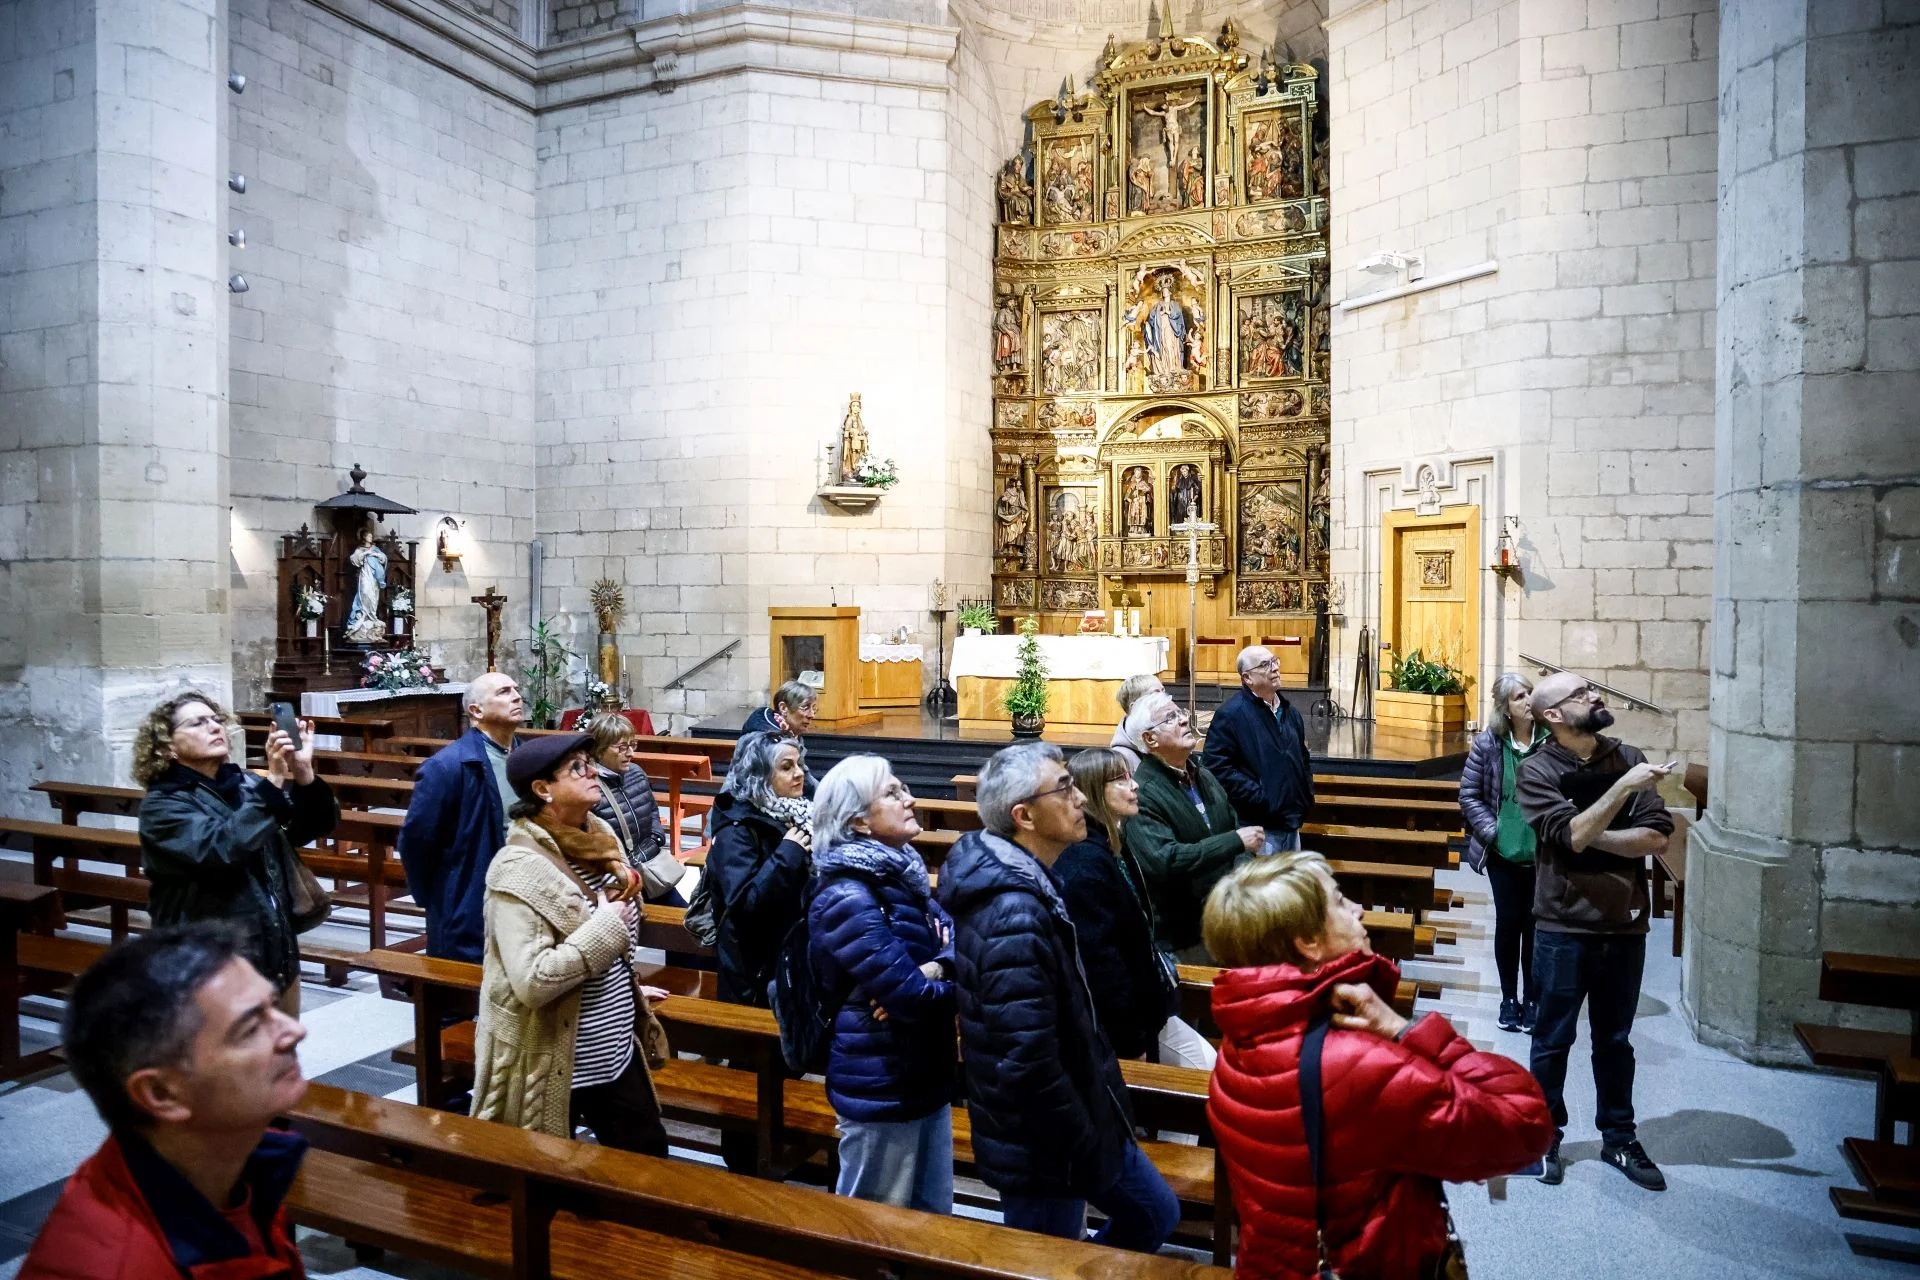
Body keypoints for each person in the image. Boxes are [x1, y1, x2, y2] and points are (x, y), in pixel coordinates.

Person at [1203, 854, 1553, 1280]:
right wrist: (1406, 1030)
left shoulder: (1241, 1043)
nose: (1359, 910)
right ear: (1308, 941)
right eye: (1340, 902)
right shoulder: (1358, 1064)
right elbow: (1525, 1126)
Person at [937, 742, 1180, 1253]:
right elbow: (1026, 1058)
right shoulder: (1014, 912)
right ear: (1023, 816)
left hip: (1074, 1116)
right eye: (1064, 789)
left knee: (1143, 1216)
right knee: (1053, 1255)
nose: (1080, 799)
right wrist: (1083, 1141)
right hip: (1047, 1139)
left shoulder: (1031, 884)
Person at [23, 924, 312, 1279]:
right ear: (161, 1093)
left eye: (273, 1006)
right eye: (251, 1028)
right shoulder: (119, 1267)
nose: (296, 1031)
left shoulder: (235, 1170)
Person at [470, 733, 669, 1156]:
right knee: (549, 1171)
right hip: (558, 1056)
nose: (593, 771)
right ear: (543, 789)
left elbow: (611, 936)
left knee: (649, 1161)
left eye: (588, 762)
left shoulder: (599, 838)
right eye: (577, 767)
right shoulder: (518, 870)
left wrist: (625, 984)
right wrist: (606, 930)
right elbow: (532, 981)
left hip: (613, 1047)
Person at [1517, 671, 1675, 1191]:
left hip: (1623, 925)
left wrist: (1586, 832)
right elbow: (1564, 835)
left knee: (1615, 1040)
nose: (1596, 696)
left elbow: (1656, 837)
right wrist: (1622, 794)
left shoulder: (1628, 757)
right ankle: (1544, 1137)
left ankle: (1619, 1137)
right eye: (1582, 694)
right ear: (1554, 715)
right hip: (1562, 925)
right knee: (1552, 1038)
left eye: (1591, 689)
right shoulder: (1538, 770)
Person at [807, 755, 957, 1212]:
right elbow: (912, 997)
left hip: (923, 1073)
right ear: (859, 822)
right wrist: (959, 980)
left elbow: (960, 940)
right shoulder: (848, 895)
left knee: (933, 1221)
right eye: (892, 793)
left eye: (902, 788)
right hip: (880, 1084)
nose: (909, 799)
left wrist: (940, 968)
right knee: (875, 1224)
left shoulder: (899, 876)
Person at [134, 692, 339, 1017]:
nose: (214, 727)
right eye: (197, 723)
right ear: (167, 746)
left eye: (216, 720)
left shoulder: (245, 785)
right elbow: (222, 848)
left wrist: (303, 773)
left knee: (283, 1043)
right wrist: (273, 780)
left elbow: (305, 829)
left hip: (274, 947)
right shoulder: (163, 805)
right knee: (229, 1049)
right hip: (209, 962)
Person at [1054, 747, 1198, 1068]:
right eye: (1120, 779)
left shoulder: (1111, 842)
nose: (1134, 785)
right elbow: (1102, 964)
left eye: (1130, 776)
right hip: (1125, 1025)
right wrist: (1131, 1041)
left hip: (1146, 1007)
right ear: (1092, 792)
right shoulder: (1085, 863)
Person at [1125, 691, 1262, 963]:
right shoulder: (1143, 793)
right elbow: (1166, 860)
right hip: (1185, 937)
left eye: (1181, 713)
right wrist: (1234, 842)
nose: (1184, 720)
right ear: (1150, 739)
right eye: (1170, 718)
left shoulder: (1203, 774)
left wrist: (1241, 875)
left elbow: (1234, 827)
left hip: (1228, 918)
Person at [398, 672, 523, 962]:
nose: (517, 696)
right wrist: (440, 898)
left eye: (516, 689)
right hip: (470, 897)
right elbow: (416, 841)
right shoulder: (446, 766)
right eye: (504, 692)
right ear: (476, 711)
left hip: (522, 884)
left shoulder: (526, 757)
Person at [1459, 673, 1550, 1033]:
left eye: (1530, 693)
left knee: (1535, 926)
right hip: (1502, 853)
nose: (1528, 701)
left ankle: (1533, 999)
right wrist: (1493, 831)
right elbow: (1469, 794)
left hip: (1542, 853)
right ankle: (1509, 999)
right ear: (1506, 709)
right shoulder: (1489, 744)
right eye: (1519, 696)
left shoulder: (1549, 741)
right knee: (1509, 923)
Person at [706, 731, 814, 1007]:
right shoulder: (736, 830)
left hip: (794, 954)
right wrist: (787, 855)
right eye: (786, 767)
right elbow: (744, 904)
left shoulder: (798, 814)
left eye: (799, 764)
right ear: (760, 776)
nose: (799, 773)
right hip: (756, 971)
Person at [1202, 646, 1313, 855]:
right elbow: (1216, 768)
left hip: (1291, 822)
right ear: (1247, 678)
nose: (1275, 668)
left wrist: (1305, 795)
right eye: (1265, 665)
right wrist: (1263, 797)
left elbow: (1303, 759)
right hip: (1259, 828)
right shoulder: (1231, 715)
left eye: (1275, 661)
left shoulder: (1290, 712)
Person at [584, 712, 689, 907]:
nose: (630, 753)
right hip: (619, 880)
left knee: (685, 917)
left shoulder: (636, 773)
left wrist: (656, 838)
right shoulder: (588, 786)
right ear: (599, 750)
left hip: (650, 868)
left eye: (632, 745)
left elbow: (653, 810)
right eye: (622, 747)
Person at [1109, 672, 1164, 771]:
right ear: (1135, 707)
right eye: (1156, 693)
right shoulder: (1122, 758)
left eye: (1163, 691)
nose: (1165, 698)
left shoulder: (1167, 731)